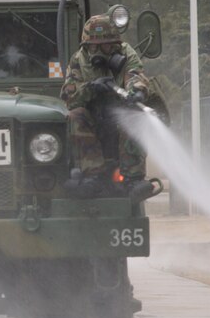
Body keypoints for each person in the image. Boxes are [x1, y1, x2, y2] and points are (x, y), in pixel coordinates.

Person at [60, 14, 153, 201]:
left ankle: (133, 178)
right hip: (93, 116)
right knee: (76, 115)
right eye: (97, 46)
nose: (104, 51)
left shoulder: (127, 54)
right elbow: (69, 97)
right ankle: (94, 175)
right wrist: (90, 88)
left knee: (136, 115)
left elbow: (135, 75)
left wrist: (137, 92)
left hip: (120, 112)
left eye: (109, 45)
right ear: (89, 47)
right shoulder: (78, 60)